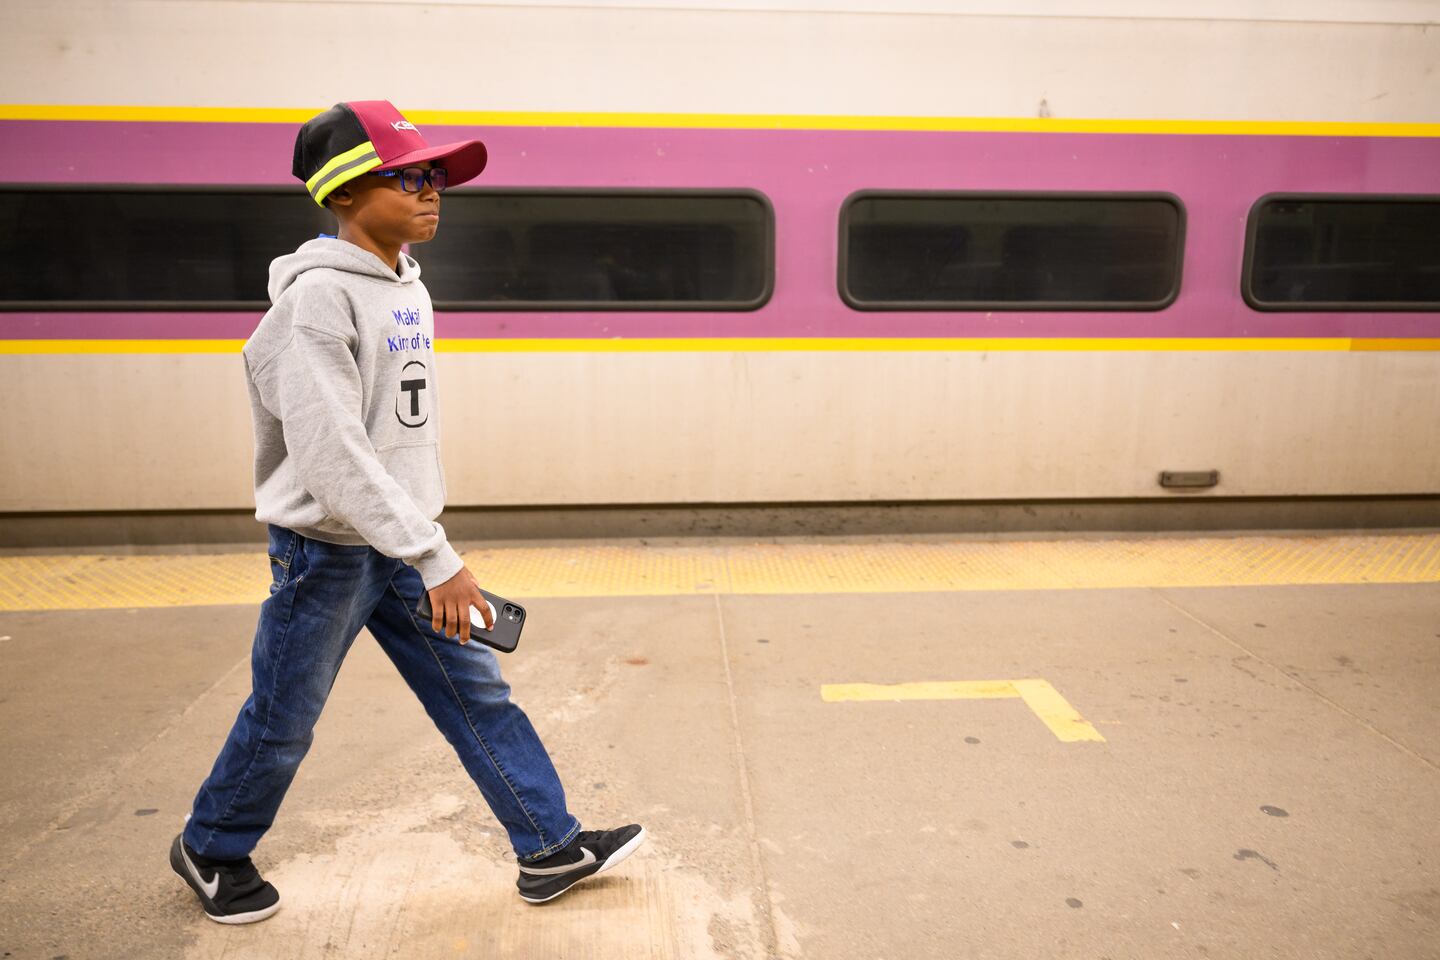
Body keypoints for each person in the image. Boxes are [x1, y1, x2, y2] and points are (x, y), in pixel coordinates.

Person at [169, 100, 644, 924]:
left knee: (479, 697)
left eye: (435, 179)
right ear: (345, 192)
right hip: (326, 554)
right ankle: (210, 848)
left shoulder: (405, 287)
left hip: (402, 546)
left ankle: (547, 844)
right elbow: (333, 453)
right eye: (408, 178)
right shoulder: (315, 303)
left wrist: (424, 543)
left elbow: (398, 438)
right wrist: (436, 559)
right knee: (285, 719)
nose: (432, 193)